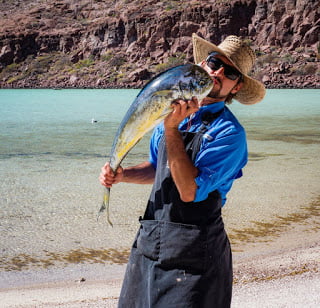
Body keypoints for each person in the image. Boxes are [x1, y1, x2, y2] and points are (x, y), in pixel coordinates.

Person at [99, 33, 266, 308]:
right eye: (215, 62)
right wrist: (123, 174)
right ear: (203, 64)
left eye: (231, 72)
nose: (219, 72)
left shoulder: (229, 134)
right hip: (150, 245)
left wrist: (172, 129)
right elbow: (158, 168)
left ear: (236, 87)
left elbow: (190, 190)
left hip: (196, 257)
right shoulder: (169, 116)